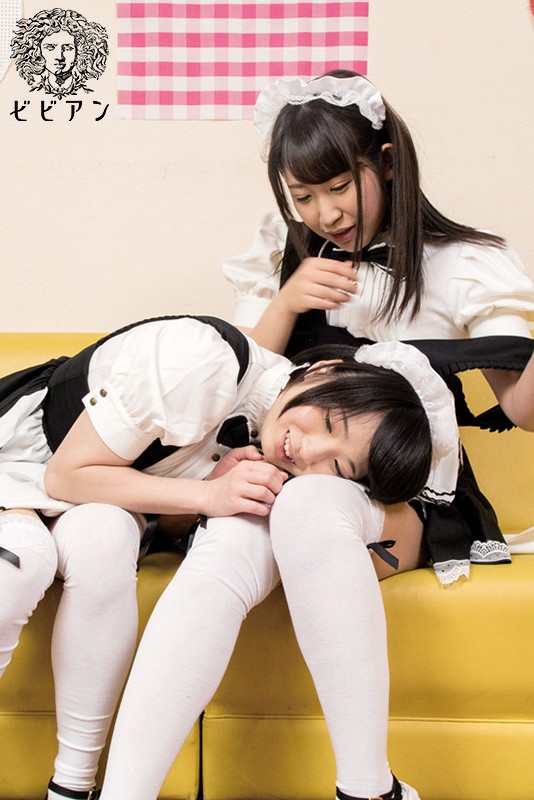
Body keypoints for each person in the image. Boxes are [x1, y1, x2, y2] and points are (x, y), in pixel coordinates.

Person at [0, 315, 456, 800]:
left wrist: (204, 491)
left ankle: (73, 789)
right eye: (327, 422)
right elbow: (64, 477)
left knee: (106, 541)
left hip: (88, 504)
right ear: (323, 370)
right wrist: (206, 496)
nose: (307, 451)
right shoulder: (202, 361)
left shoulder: (261, 446)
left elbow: (151, 512)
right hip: (29, 466)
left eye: (337, 466)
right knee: (25, 563)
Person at [223, 70, 534, 586]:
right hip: (290, 469)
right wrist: (286, 302)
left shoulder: (466, 263)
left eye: (339, 187)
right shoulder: (282, 252)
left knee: (311, 507)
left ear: (387, 162)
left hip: (409, 493)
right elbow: (234, 389)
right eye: (303, 197)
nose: (326, 213)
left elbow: (523, 411)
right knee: (237, 536)